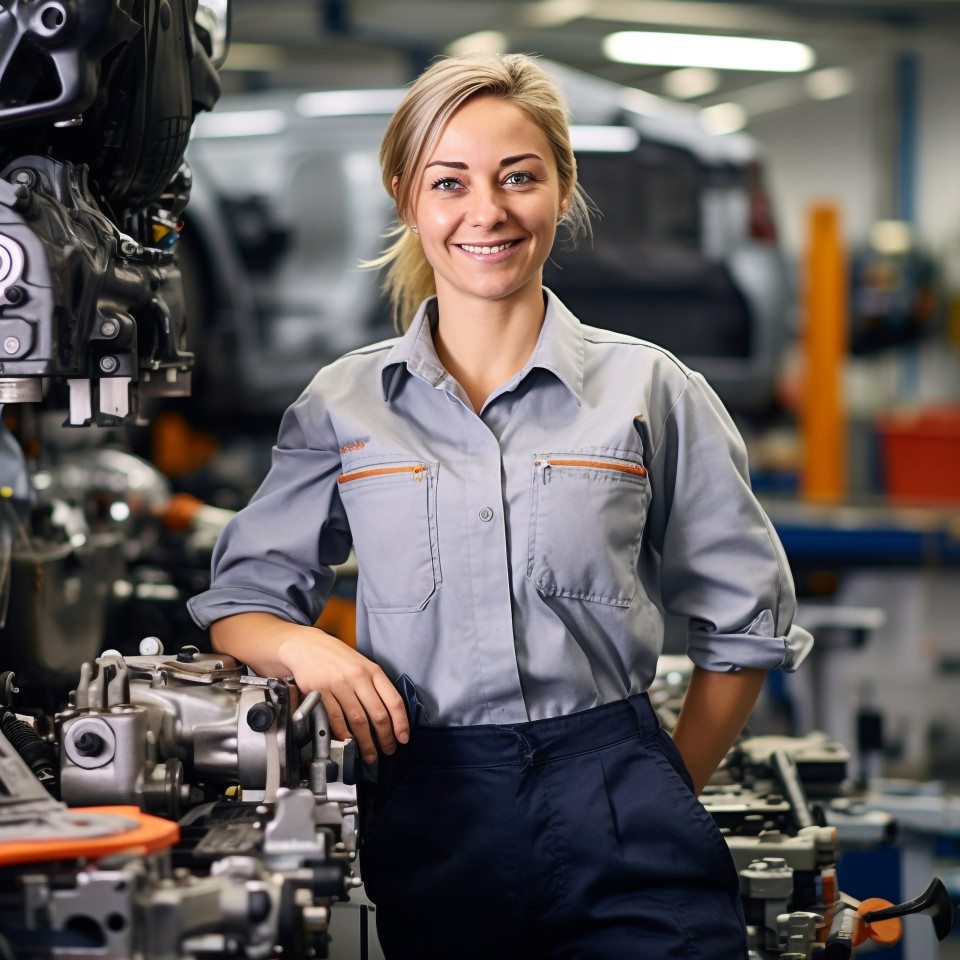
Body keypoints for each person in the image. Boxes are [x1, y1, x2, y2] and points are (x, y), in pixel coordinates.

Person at [188, 51, 812, 959]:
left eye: (519, 177)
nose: (487, 211)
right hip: (434, 809)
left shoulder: (650, 388)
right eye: (451, 182)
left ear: (561, 187)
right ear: (407, 196)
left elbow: (743, 624)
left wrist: (657, 784)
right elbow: (239, 600)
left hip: (619, 788)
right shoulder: (342, 404)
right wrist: (303, 646)